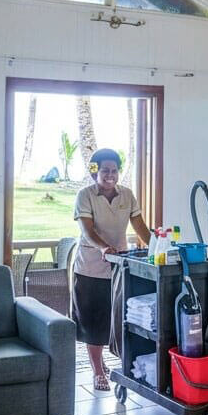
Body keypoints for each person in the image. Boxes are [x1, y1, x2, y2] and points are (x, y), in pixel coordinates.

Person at [72, 148, 150, 391]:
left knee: (115, 319)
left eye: (114, 170)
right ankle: (97, 370)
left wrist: (157, 247)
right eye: (105, 170)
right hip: (90, 268)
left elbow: (140, 226)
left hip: (119, 267)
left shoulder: (127, 195)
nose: (110, 175)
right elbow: (87, 231)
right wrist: (104, 248)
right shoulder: (85, 195)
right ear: (95, 171)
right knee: (93, 322)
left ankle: (112, 362)